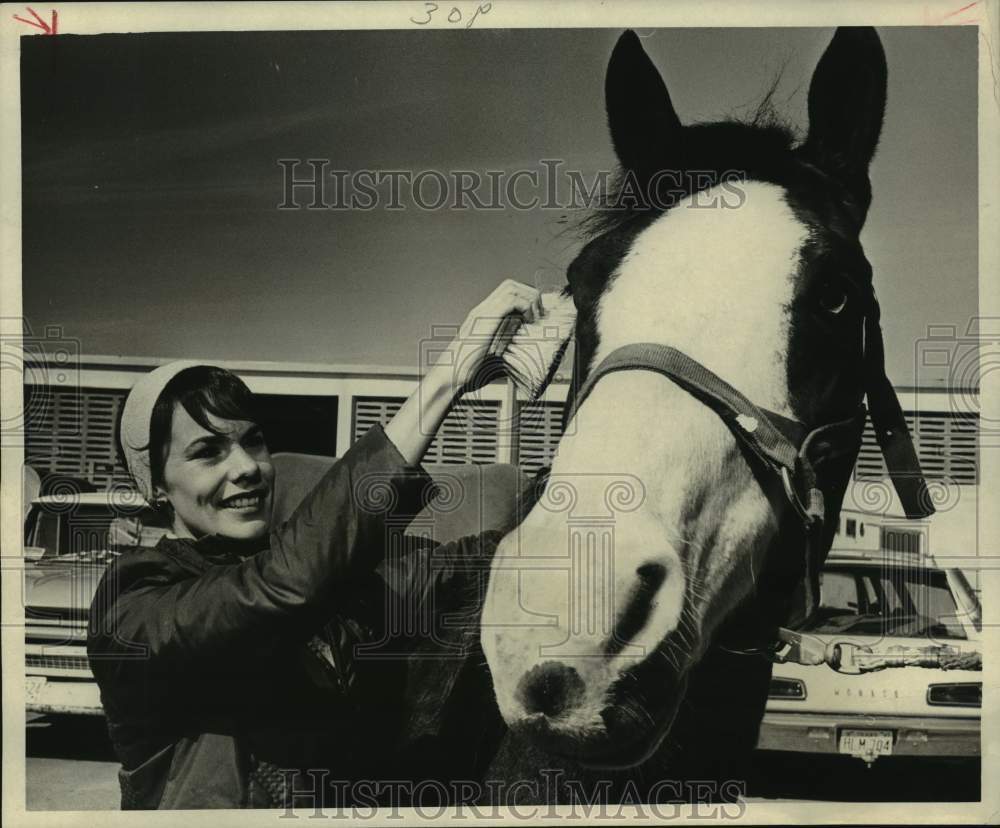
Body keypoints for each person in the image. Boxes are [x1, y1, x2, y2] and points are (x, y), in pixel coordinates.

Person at [87, 280, 544, 810]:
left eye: (252, 441)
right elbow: (284, 587)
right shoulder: (133, 605)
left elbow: (450, 569)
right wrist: (447, 379)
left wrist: (563, 498)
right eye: (208, 452)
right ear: (156, 485)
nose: (247, 469)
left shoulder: (314, 576)